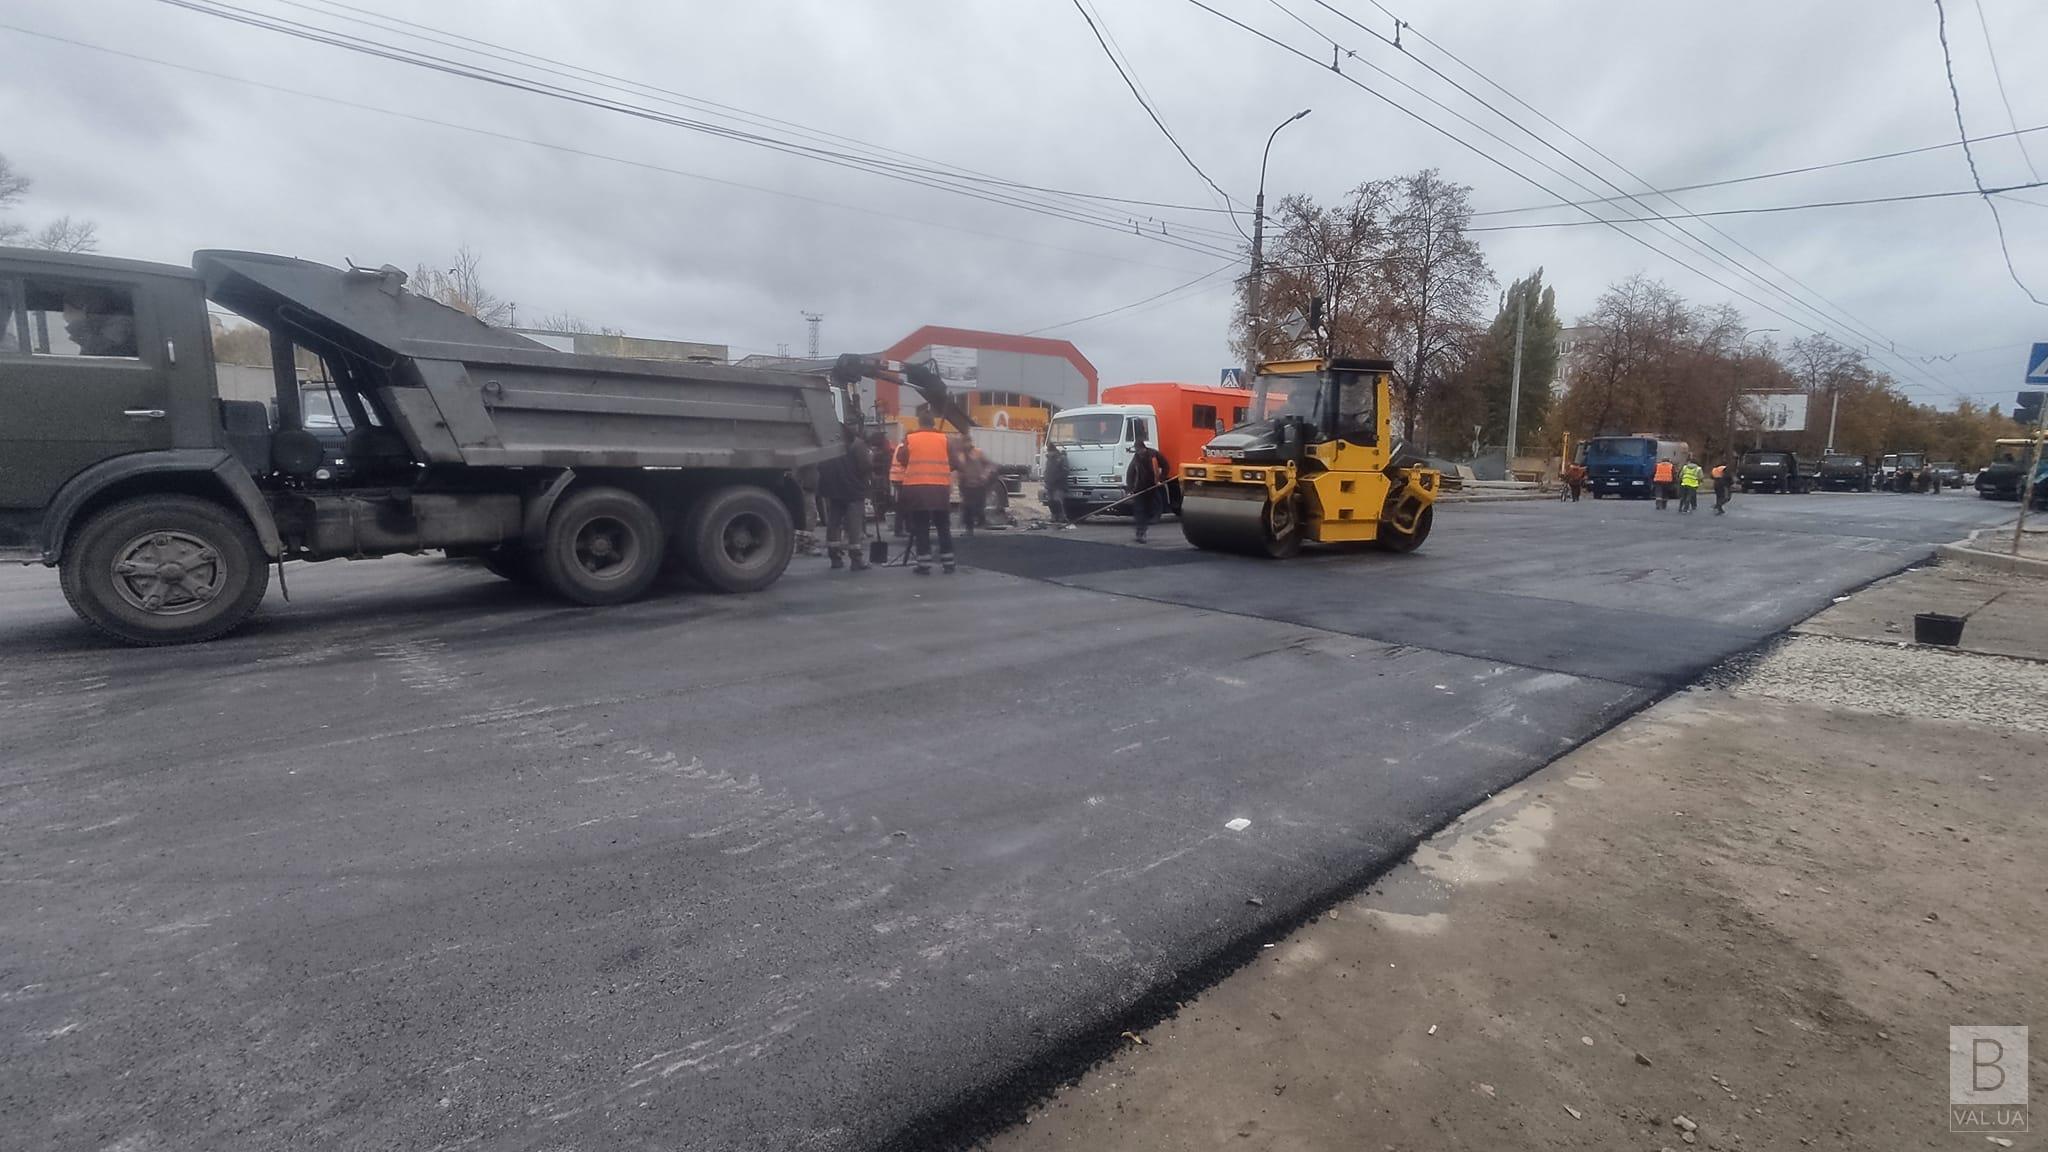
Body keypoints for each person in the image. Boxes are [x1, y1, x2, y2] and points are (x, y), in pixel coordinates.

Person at [895, 412, 962, 574]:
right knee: (943, 527)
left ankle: (924, 564)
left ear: (920, 423)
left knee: (921, 527)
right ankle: (949, 563)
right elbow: (955, 462)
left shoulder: (911, 439)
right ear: (933, 423)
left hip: (917, 490)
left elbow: (901, 458)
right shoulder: (945, 440)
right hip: (940, 490)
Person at [816, 424, 872, 570]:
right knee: (854, 525)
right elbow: (865, 466)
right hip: (853, 489)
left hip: (833, 489)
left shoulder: (829, 445)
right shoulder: (858, 445)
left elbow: (821, 466)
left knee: (833, 522)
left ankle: (834, 557)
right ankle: (856, 558)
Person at [1124, 430, 1171, 543]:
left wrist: (1162, 479)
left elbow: (1166, 466)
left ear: (1143, 448)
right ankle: (1140, 533)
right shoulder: (1136, 458)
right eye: (1137, 451)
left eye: (1139, 450)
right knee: (1139, 510)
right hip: (1139, 488)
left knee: (1148, 510)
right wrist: (1130, 489)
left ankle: (1143, 529)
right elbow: (1130, 473)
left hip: (1153, 487)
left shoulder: (1154, 454)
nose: (1138, 452)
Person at [957, 439, 998, 535]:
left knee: (978, 507)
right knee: (967, 507)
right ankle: (969, 529)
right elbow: (959, 469)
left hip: (979, 485)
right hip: (967, 485)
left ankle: (981, 525)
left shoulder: (978, 453)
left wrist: (985, 474)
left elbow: (990, 465)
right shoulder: (961, 455)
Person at [1042, 445, 1071, 526]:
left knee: (1057, 500)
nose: (1049, 453)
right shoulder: (1049, 459)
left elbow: (1065, 471)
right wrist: (1046, 479)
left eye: (1050, 451)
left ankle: (1062, 517)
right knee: (1050, 501)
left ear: (1054, 451)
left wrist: (1056, 478)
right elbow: (1047, 470)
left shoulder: (1061, 458)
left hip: (1059, 484)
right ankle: (1054, 516)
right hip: (1049, 484)